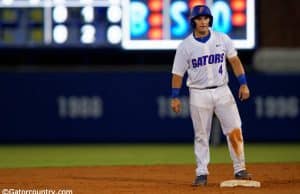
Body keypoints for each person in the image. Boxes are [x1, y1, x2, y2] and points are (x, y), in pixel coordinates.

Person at [170, 5, 252, 186]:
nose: (203, 21)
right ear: (193, 21)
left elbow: (235, 61)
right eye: (199, 18)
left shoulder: (222, 38)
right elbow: (177, 74)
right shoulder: (185, 46)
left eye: (206, 18)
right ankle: (201, 173)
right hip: (199, 93)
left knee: (234, 129)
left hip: (223, 90)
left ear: (210, 20)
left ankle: (240, 169)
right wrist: (175, 96)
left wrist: (243, 83)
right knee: (201, 135)